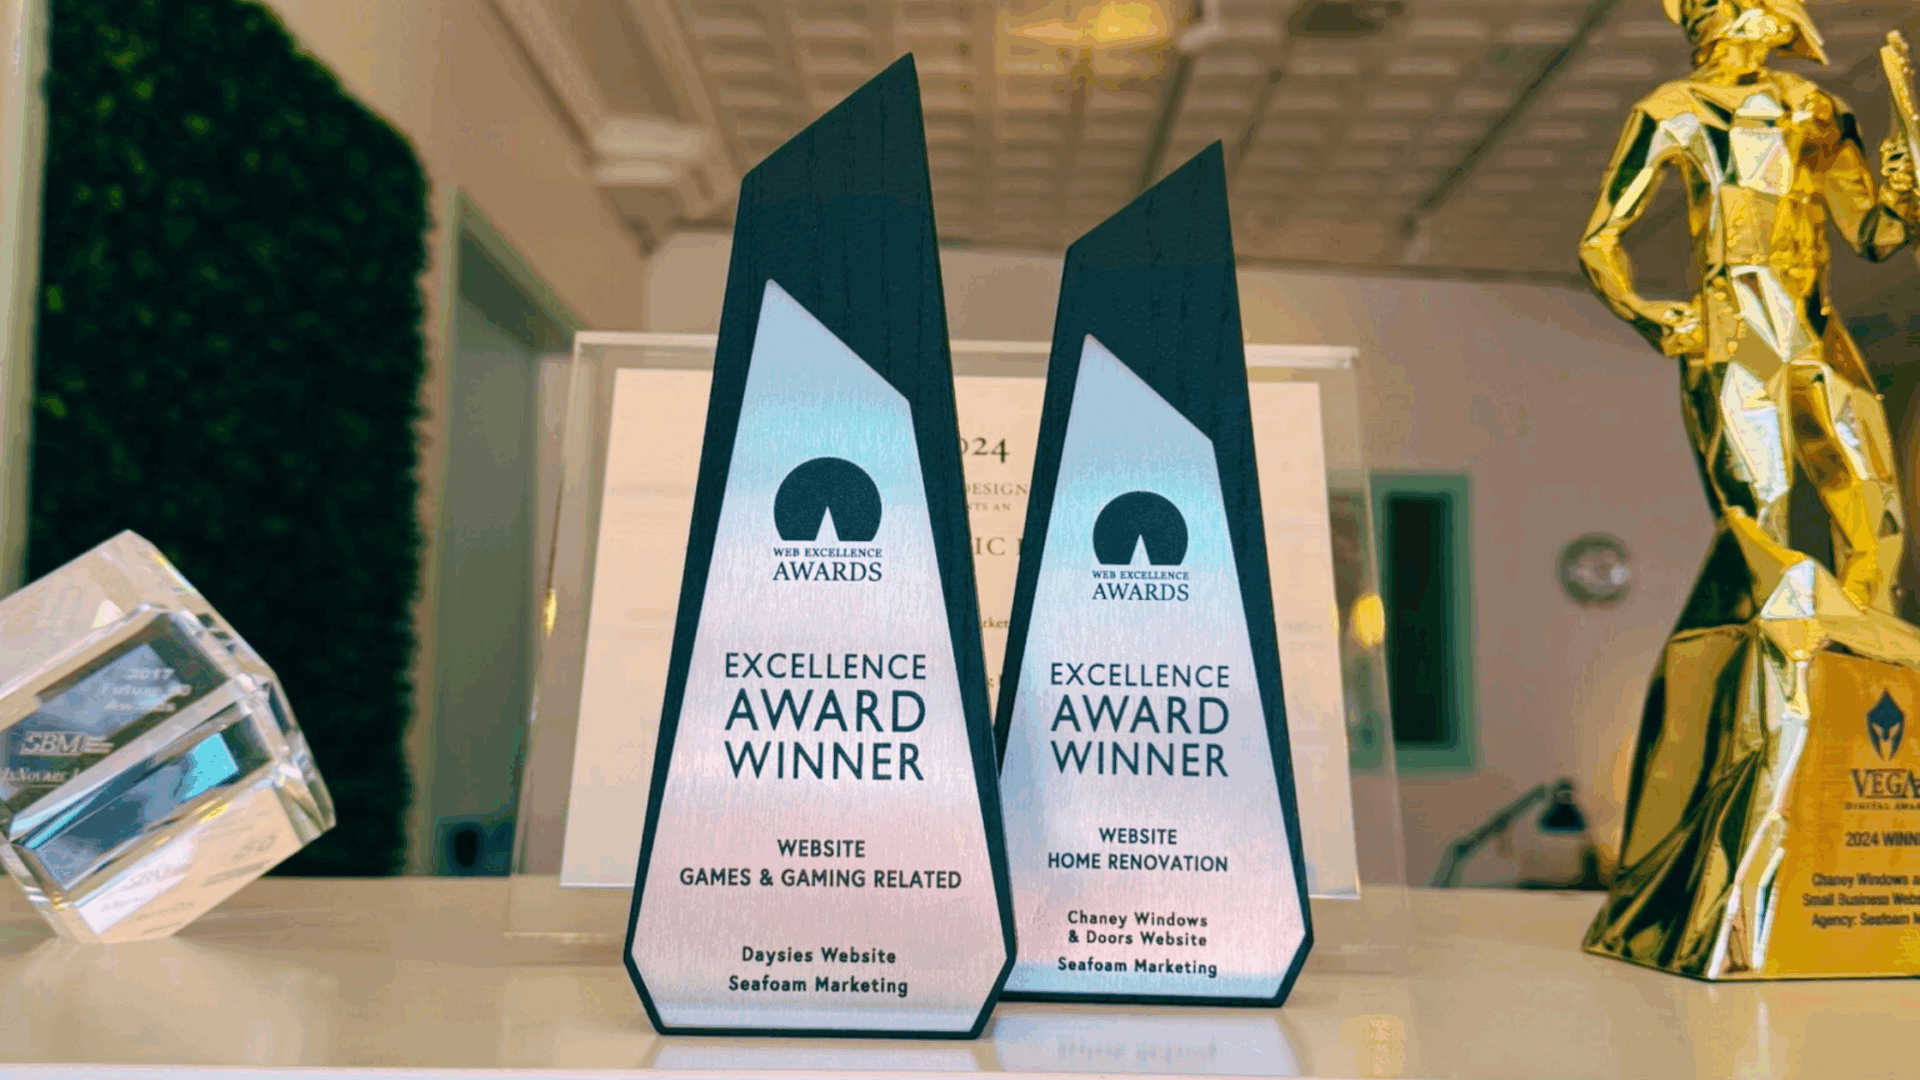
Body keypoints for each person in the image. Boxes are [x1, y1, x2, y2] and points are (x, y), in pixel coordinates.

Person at [1578, 0, 1920, 614]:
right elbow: (1600, 241)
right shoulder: (1672, 110)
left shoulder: (1816, 108)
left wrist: (1904, 196)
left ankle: (1867, 657)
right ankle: (1775, 671)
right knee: (1759, 518)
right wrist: (1647, 315)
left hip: (1817, 331)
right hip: (1733, 331)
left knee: (1876, 508)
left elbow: (1872, 235)